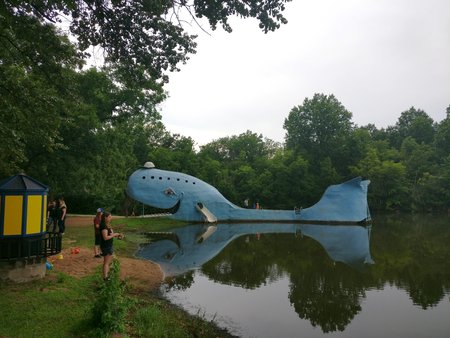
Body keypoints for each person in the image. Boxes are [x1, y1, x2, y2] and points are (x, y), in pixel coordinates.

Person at [99, 211, 123, 281]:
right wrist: (114, 235)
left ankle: (108, 275)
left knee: (111, 260)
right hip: (106, 246)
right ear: (105, 217)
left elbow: (111, 235)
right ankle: (105, 278)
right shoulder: (103, 226)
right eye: (109, 217)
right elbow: (105, 237)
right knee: (106, 262)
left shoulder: (107, 225)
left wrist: (118, 235)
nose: (111, 218)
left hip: (109, 245)